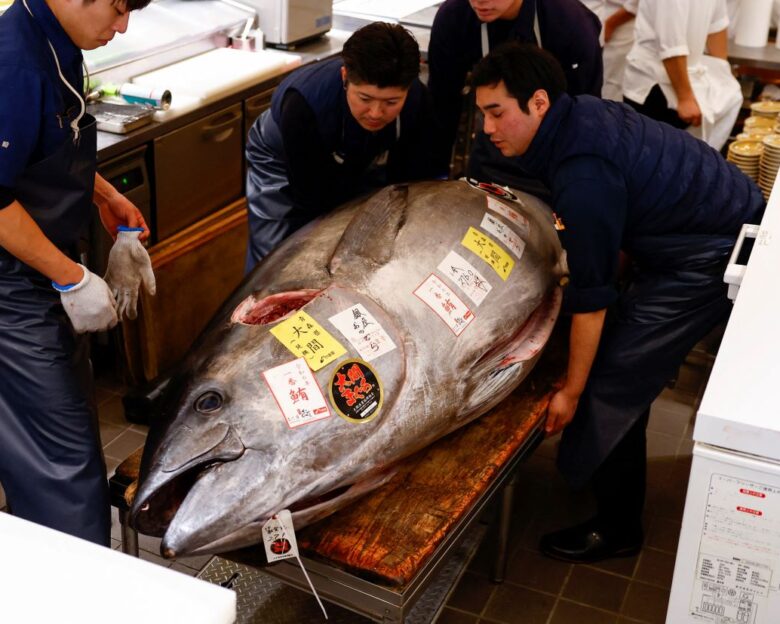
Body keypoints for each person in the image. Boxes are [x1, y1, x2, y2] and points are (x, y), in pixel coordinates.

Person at [471, 42, 764, 562]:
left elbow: (593, 298)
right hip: (705, 222)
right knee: (610, 350)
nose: (488, 128)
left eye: (498, 113)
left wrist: (571, 392)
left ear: (538, 102)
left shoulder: (581, 170)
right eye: (483, 114)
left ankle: (618, 526)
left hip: (707, 255)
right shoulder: (575, 115)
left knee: (613, 376)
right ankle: (599, 466)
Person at [0, 0, 154, 545]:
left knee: (70, 442)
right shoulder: (13, 60)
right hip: (10, 288)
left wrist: (106, 196)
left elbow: (48, 144)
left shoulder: (58, 42)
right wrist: (71, 276)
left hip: (39, 274)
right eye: (116, 8)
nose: (123, 26)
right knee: (62, 469)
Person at [244, 22, 438, 270]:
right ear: (345, 77)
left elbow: (410, 180)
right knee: (279, 258)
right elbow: (311, 199)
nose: (376, 113)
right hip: (282, 157)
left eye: (391, 102)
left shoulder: (417, 101)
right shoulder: (303, 106)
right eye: (365, 99)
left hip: (358, 154)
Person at [427, 0, 603, 183]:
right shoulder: (454, 17)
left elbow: (585, 116)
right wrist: (433, 179)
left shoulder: (571, 24)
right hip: (493, 144)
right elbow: (441, 106)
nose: (479, 1)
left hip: (553, 144)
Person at [622, 0, 740, 151]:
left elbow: (717, 26)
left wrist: (723, 76)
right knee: (653, 157)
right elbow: (670, 43)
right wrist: (685, 98)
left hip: (685, 76)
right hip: (653, 83)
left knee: (682, 158)